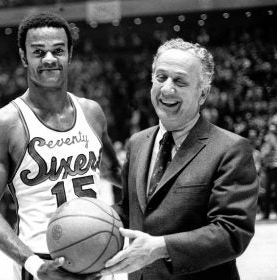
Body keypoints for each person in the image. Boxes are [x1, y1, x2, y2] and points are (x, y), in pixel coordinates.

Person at [0, 12, 121, 280]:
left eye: (58, 50)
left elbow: (117, 174)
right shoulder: (4, 123)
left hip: (97, 256)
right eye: (39, 52)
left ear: (70, 54)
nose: (49, 59)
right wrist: (31, 263)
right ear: (23, 57)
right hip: (42, 263)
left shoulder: (92, 112)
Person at [100, 38, 259, 280]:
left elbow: (232, 232)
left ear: (202, 93)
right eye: (161, 77)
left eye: (180, 81)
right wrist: (85, 218)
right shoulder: (137, 143)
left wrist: (161, 247)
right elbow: (128, 211)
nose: (167, 89)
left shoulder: (231, 149)